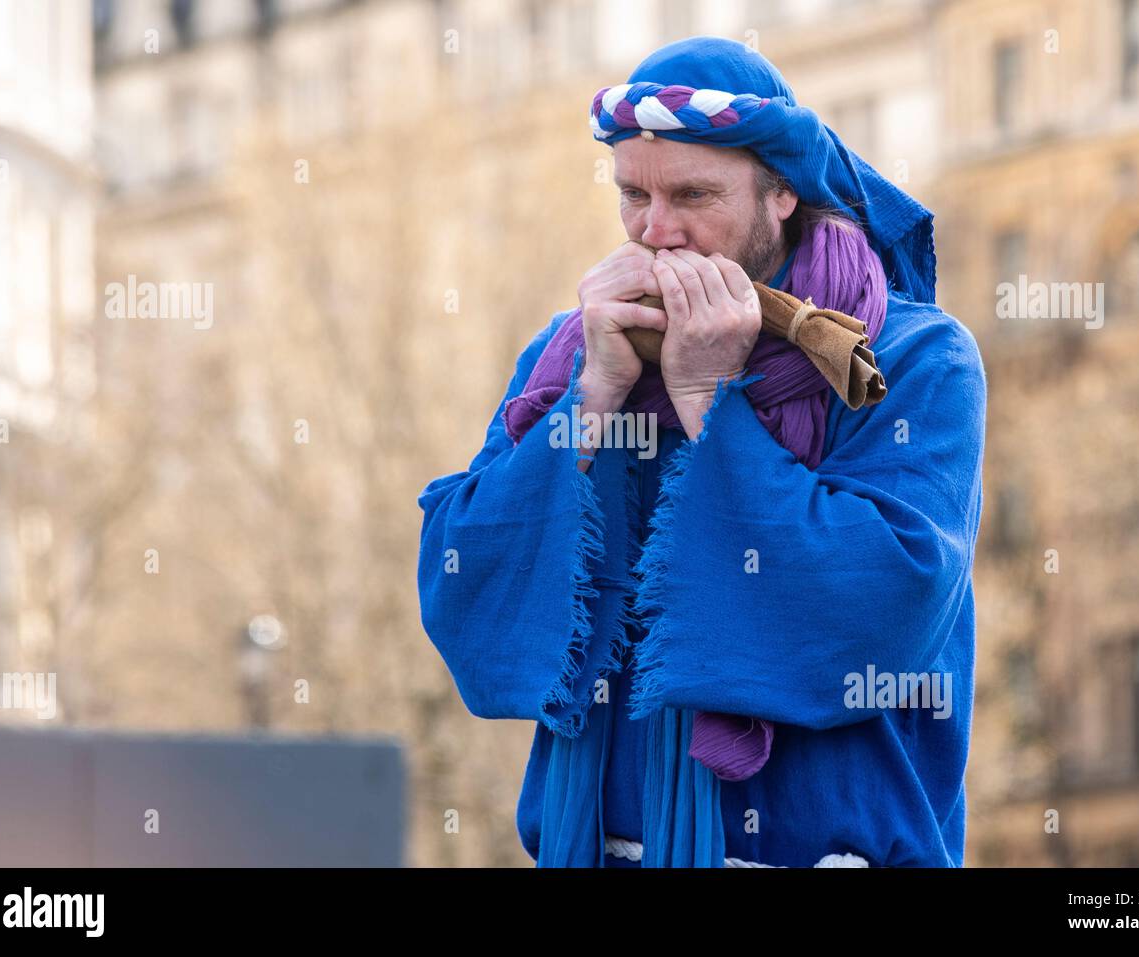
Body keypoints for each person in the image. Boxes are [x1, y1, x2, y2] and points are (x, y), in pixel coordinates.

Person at [417, 36, 987, 867]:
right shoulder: (574, 354)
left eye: (693, 194)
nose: (657, 230)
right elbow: (460, 588)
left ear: (783, 190)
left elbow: (886, 602)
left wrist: (706, 403)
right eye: (632, 195)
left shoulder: (913, 358)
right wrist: (590, 399)